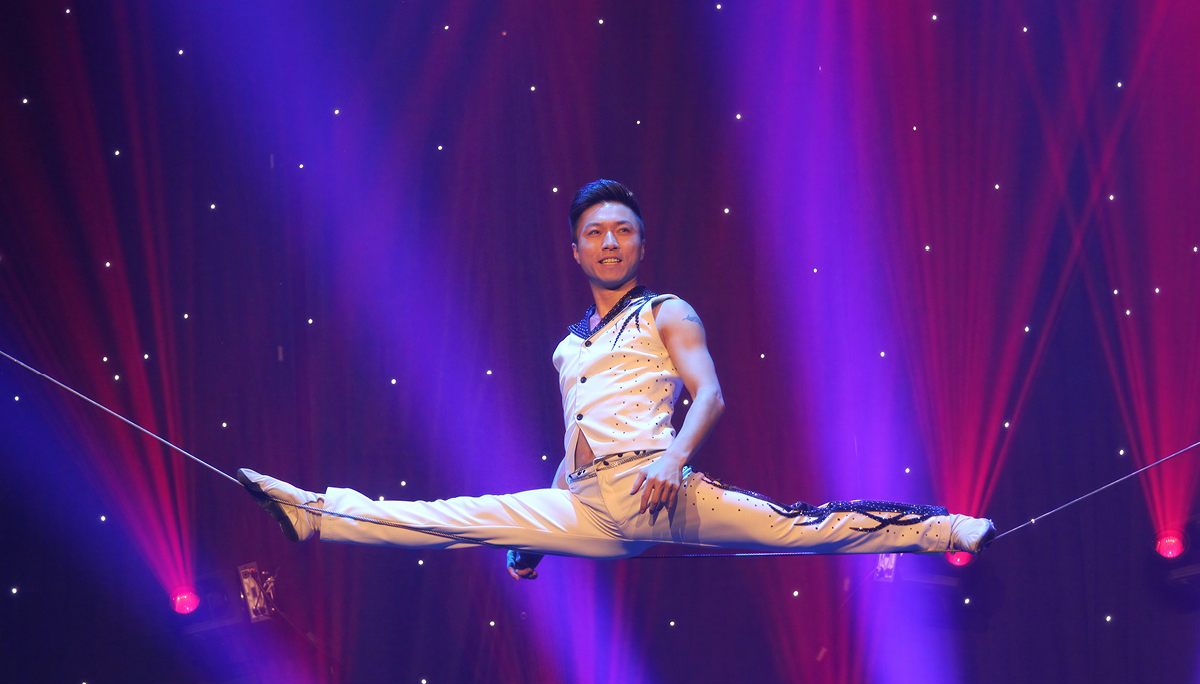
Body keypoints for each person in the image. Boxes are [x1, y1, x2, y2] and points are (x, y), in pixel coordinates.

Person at [238, 180, 995, 580]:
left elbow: (711, 393)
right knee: (453, 518)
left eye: (623, 231)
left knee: (801, 526)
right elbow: (576, 440)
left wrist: (674, 461)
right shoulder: (568, 347)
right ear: (576, 250)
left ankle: (942, 529)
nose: (610, 242)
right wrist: (535, 541)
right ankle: (315, 514)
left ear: (640, 243)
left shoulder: (666, 311)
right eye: (595, 233)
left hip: (655, 488)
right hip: (585, 504)